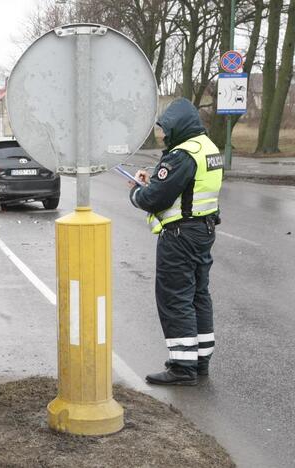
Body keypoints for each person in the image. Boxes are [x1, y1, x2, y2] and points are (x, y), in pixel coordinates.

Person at [128, 98, 223, 386]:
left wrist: (136, 190)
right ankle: (200, 359)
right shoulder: (208, 148)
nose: (164, 136)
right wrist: (155, 177)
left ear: (178, 127)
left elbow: (154, 197)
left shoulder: (182, 155)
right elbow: (187, 186)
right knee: (198, 295)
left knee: (175, 297)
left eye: (166, 130)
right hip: (204, 230)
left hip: (180, 236)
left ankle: (182, 367)